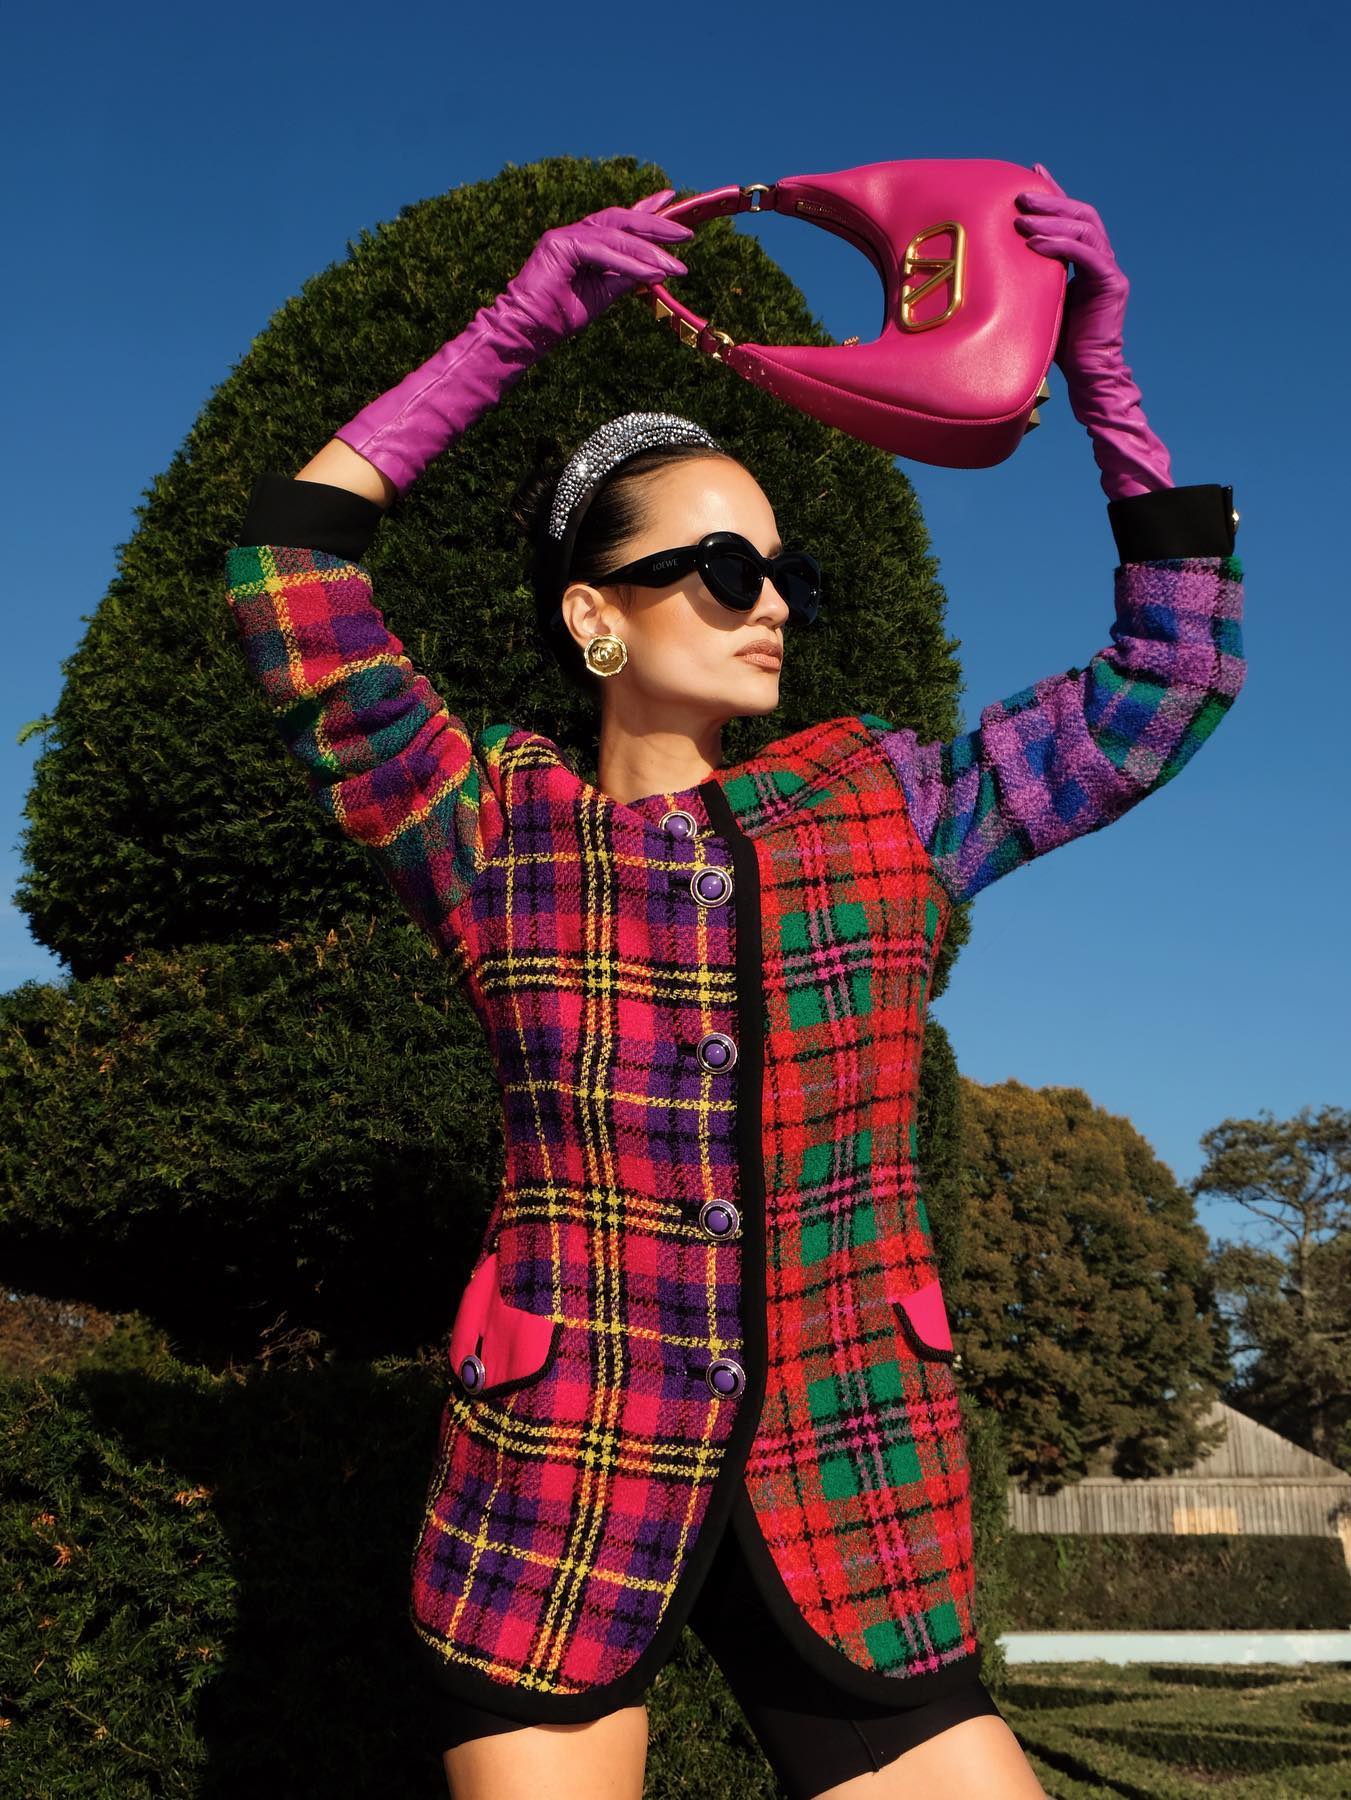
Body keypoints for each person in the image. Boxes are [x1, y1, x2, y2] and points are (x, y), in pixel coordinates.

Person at [222, 174, 1244, 1800]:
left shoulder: (885, 805)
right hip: (559, 1492)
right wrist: (511, 330)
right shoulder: (490, 829)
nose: (770, 603)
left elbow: (1165, 683)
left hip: (857, 1478)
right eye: (718, 566)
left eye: (784, 575)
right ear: (593, 614)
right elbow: (290, 572)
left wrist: (1100, 375)